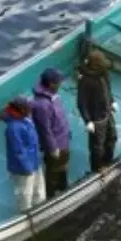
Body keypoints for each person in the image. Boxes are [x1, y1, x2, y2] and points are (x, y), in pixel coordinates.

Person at [31, 68, 72, 197]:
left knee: (63, 165)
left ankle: (62, 186)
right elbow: (45, 129)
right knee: (52, 169)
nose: (60, 84)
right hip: (56, 143)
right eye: (58, 82)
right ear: (51, 84)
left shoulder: (53, 96)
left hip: (63, 139)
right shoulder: (42, 105)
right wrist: (53, 148)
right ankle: (51, 194)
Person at [77, 49, 118, 172]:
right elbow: (81, 102)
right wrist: (87, 120)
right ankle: (97, 168)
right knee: (97, 147)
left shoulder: (104, 74)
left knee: (112, 137)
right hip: (96, 119)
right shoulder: (85, 81)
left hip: (107, 112)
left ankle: (108, 162)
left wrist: (112, 101)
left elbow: (108, 89)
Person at [3, 96, 44, 212]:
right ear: (21, 110)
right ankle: (26, 216)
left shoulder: (25, 120)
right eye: (27, 108)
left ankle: (40, 210)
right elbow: (18, 151)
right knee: (25, 195)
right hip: (23, 169)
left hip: (34, 162)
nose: (30, 110)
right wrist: (27, 168)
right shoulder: (13, 128)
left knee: (38, 191)